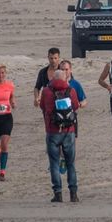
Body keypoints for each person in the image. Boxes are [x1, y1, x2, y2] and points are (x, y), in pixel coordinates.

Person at [38, 69, 80, 203]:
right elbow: (76, 106)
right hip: (69, 130)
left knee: (54, 164)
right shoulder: (71, 90)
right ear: (64, 77)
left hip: (52, 131)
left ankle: (58, 193)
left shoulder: (46, 91)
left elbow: (42, 106)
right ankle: (73, 193)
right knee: (70, 164)